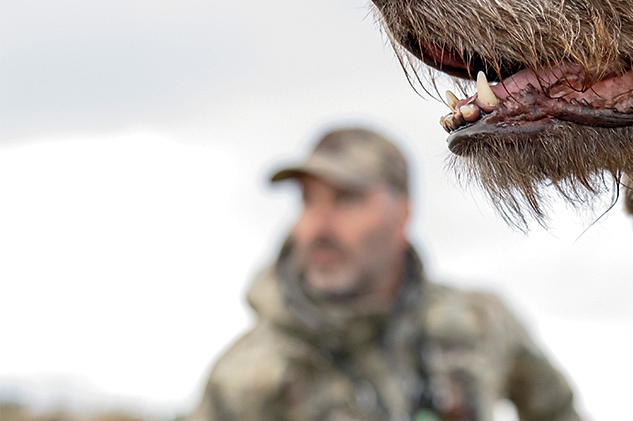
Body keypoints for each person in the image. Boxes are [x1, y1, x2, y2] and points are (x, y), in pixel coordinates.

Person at [189, 127, 581, 421]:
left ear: (402, 215)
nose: (319, 226)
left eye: (346, 199)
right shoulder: (244, 378)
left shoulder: (480, 322)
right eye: (308, 200)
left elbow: (557, 409)